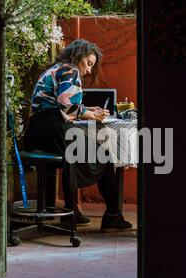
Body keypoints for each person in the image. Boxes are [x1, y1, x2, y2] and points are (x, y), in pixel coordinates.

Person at [23, 39, 132, 231]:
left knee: (73, 156)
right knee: (105, 155)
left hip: (38, 131)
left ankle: (71, 210)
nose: (89, 70)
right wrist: (90, 114)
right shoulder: (71, 69)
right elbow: (66, 103)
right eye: (88, 63)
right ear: (77, 56)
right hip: (51, 129)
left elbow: (57, 103)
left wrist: (88, 108)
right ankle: (113, 216)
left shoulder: (57, 68)